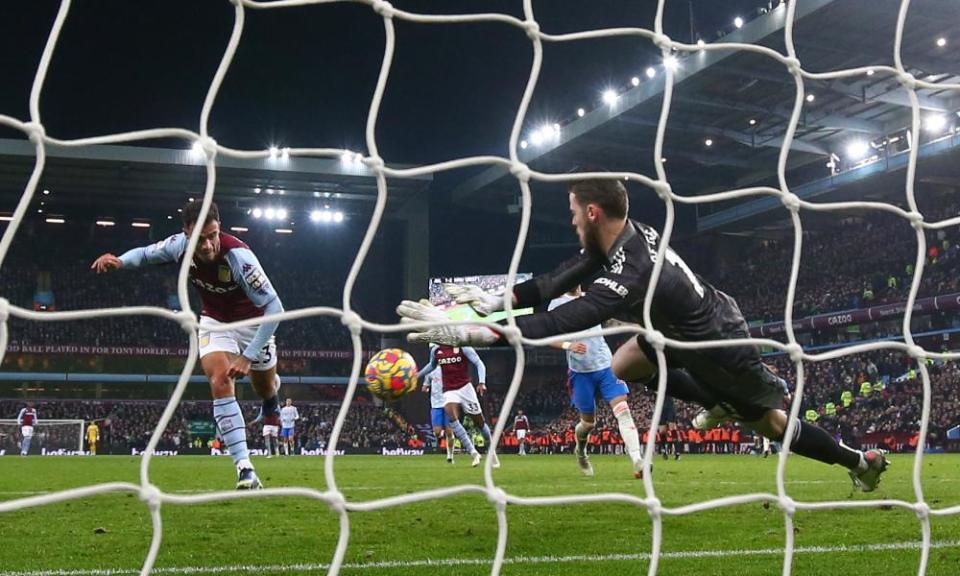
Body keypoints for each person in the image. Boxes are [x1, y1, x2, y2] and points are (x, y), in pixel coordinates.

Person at [398, 175, 888, 492]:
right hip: (686, 329)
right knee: (625, 364)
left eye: (573, 212)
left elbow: (569, 317)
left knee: (772, 427)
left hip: (718, 347)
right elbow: (560, 279)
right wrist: (495, 303)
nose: (570, 221)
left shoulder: (630, 270)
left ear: (593, 212)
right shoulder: (630, 232)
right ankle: (715, 401)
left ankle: (857, 462)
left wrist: (484, 334)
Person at [91, 200, 283, 490]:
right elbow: (144, 255)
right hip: (215, 321)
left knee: (264, 386)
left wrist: (248, 355)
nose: (207, 245)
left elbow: (275, 307)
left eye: (212, 235)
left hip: (255, 324)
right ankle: (245, 468)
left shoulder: (239, 257)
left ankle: (271, 402)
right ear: (186, 233)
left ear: (220, 229)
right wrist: (119, 260)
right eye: (199, 238)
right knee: (220, 380)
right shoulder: (178, 245)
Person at [548, 286, 645, 477]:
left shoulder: (592, 299)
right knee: (588, 424)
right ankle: (581, 453)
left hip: (606, 366)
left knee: (623, 412)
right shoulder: (557, 304)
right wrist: (570, 345)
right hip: (580, 373)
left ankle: (637, 460)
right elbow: (548, 338)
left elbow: (608, 322)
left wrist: (634, 327)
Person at [417, 344, 499, 468]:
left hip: (465, 388)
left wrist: (482, 382)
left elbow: (479, 363)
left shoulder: (463, 347)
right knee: (451, 416)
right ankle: (473, 452)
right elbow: (432, 365)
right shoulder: (436, 350)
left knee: (480, 422)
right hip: (449, 390)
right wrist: (417, 375)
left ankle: (492, 451)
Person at [422, 369, 455, 463]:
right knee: (437, 433)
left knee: (449, 432)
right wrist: (425, 388)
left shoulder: (449, 368)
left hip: (448, 403)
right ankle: (442, 429)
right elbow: (426, 385)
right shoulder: (430, 370)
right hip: (436, 405)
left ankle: (450, 456)